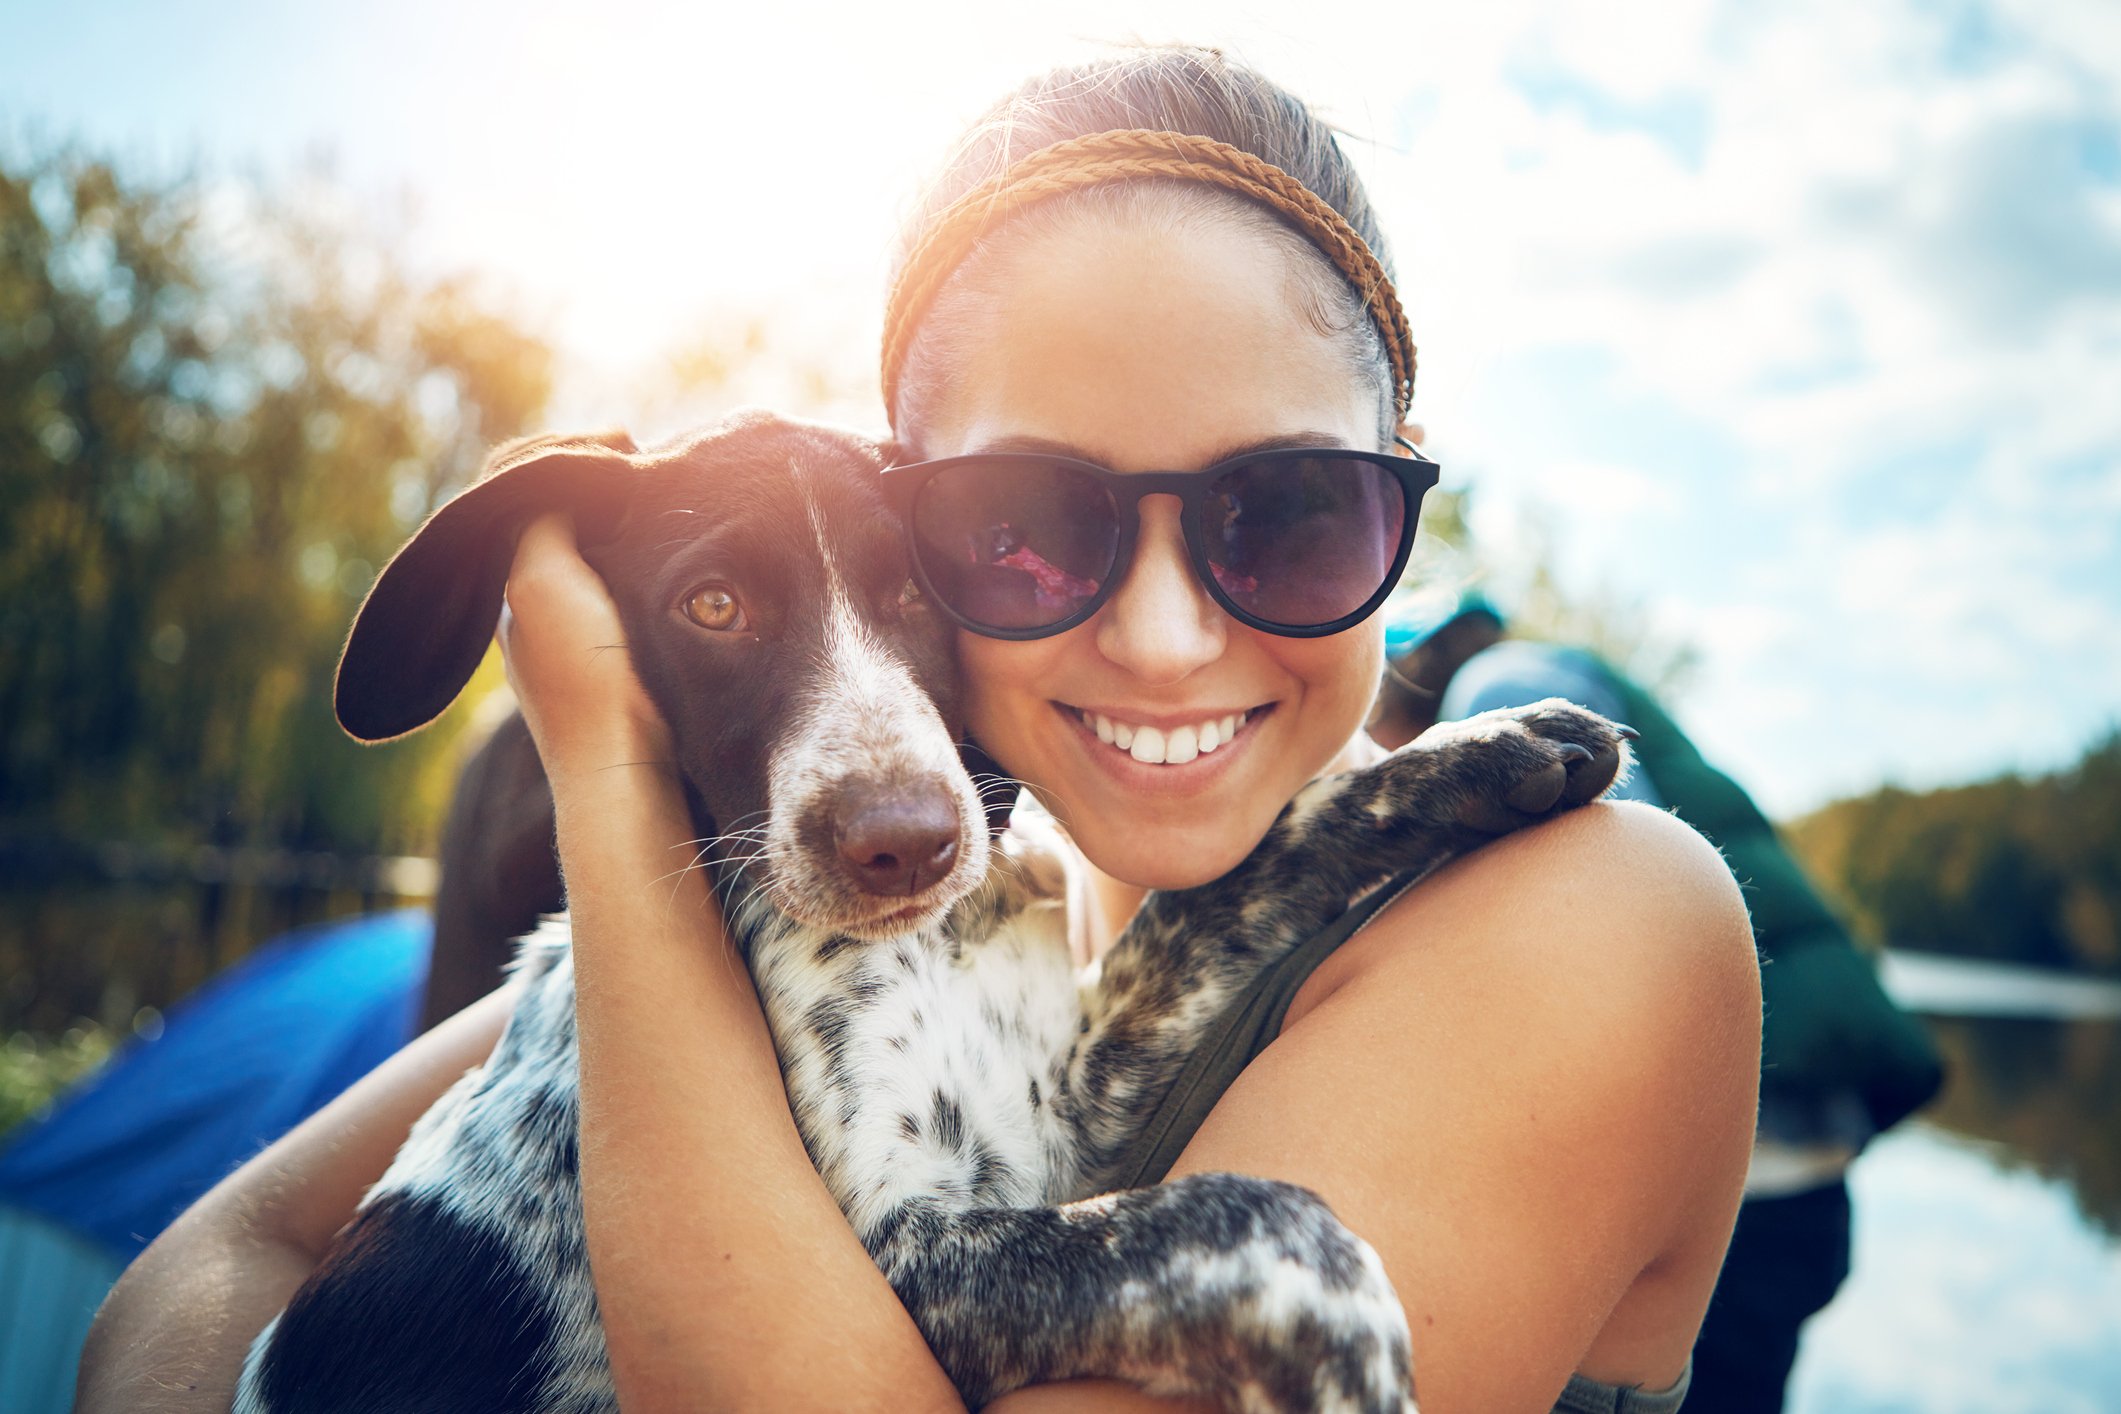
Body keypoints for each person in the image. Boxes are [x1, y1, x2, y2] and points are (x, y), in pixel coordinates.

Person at [77, 47, 1761, 1414]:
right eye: (1030, 523)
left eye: (1292, 507)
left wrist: (618, 794)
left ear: (1404, 493)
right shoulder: (823, 915)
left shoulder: (1603, 924)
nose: (1166, 634)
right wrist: (599, 739)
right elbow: (186, 1278)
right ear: (913, 515)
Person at [1372, 592, 1945, 1413]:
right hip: (1793, 1170)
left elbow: (1618, 897)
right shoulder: (1562, 668)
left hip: (1729, 1188)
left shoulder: (1501, 690)